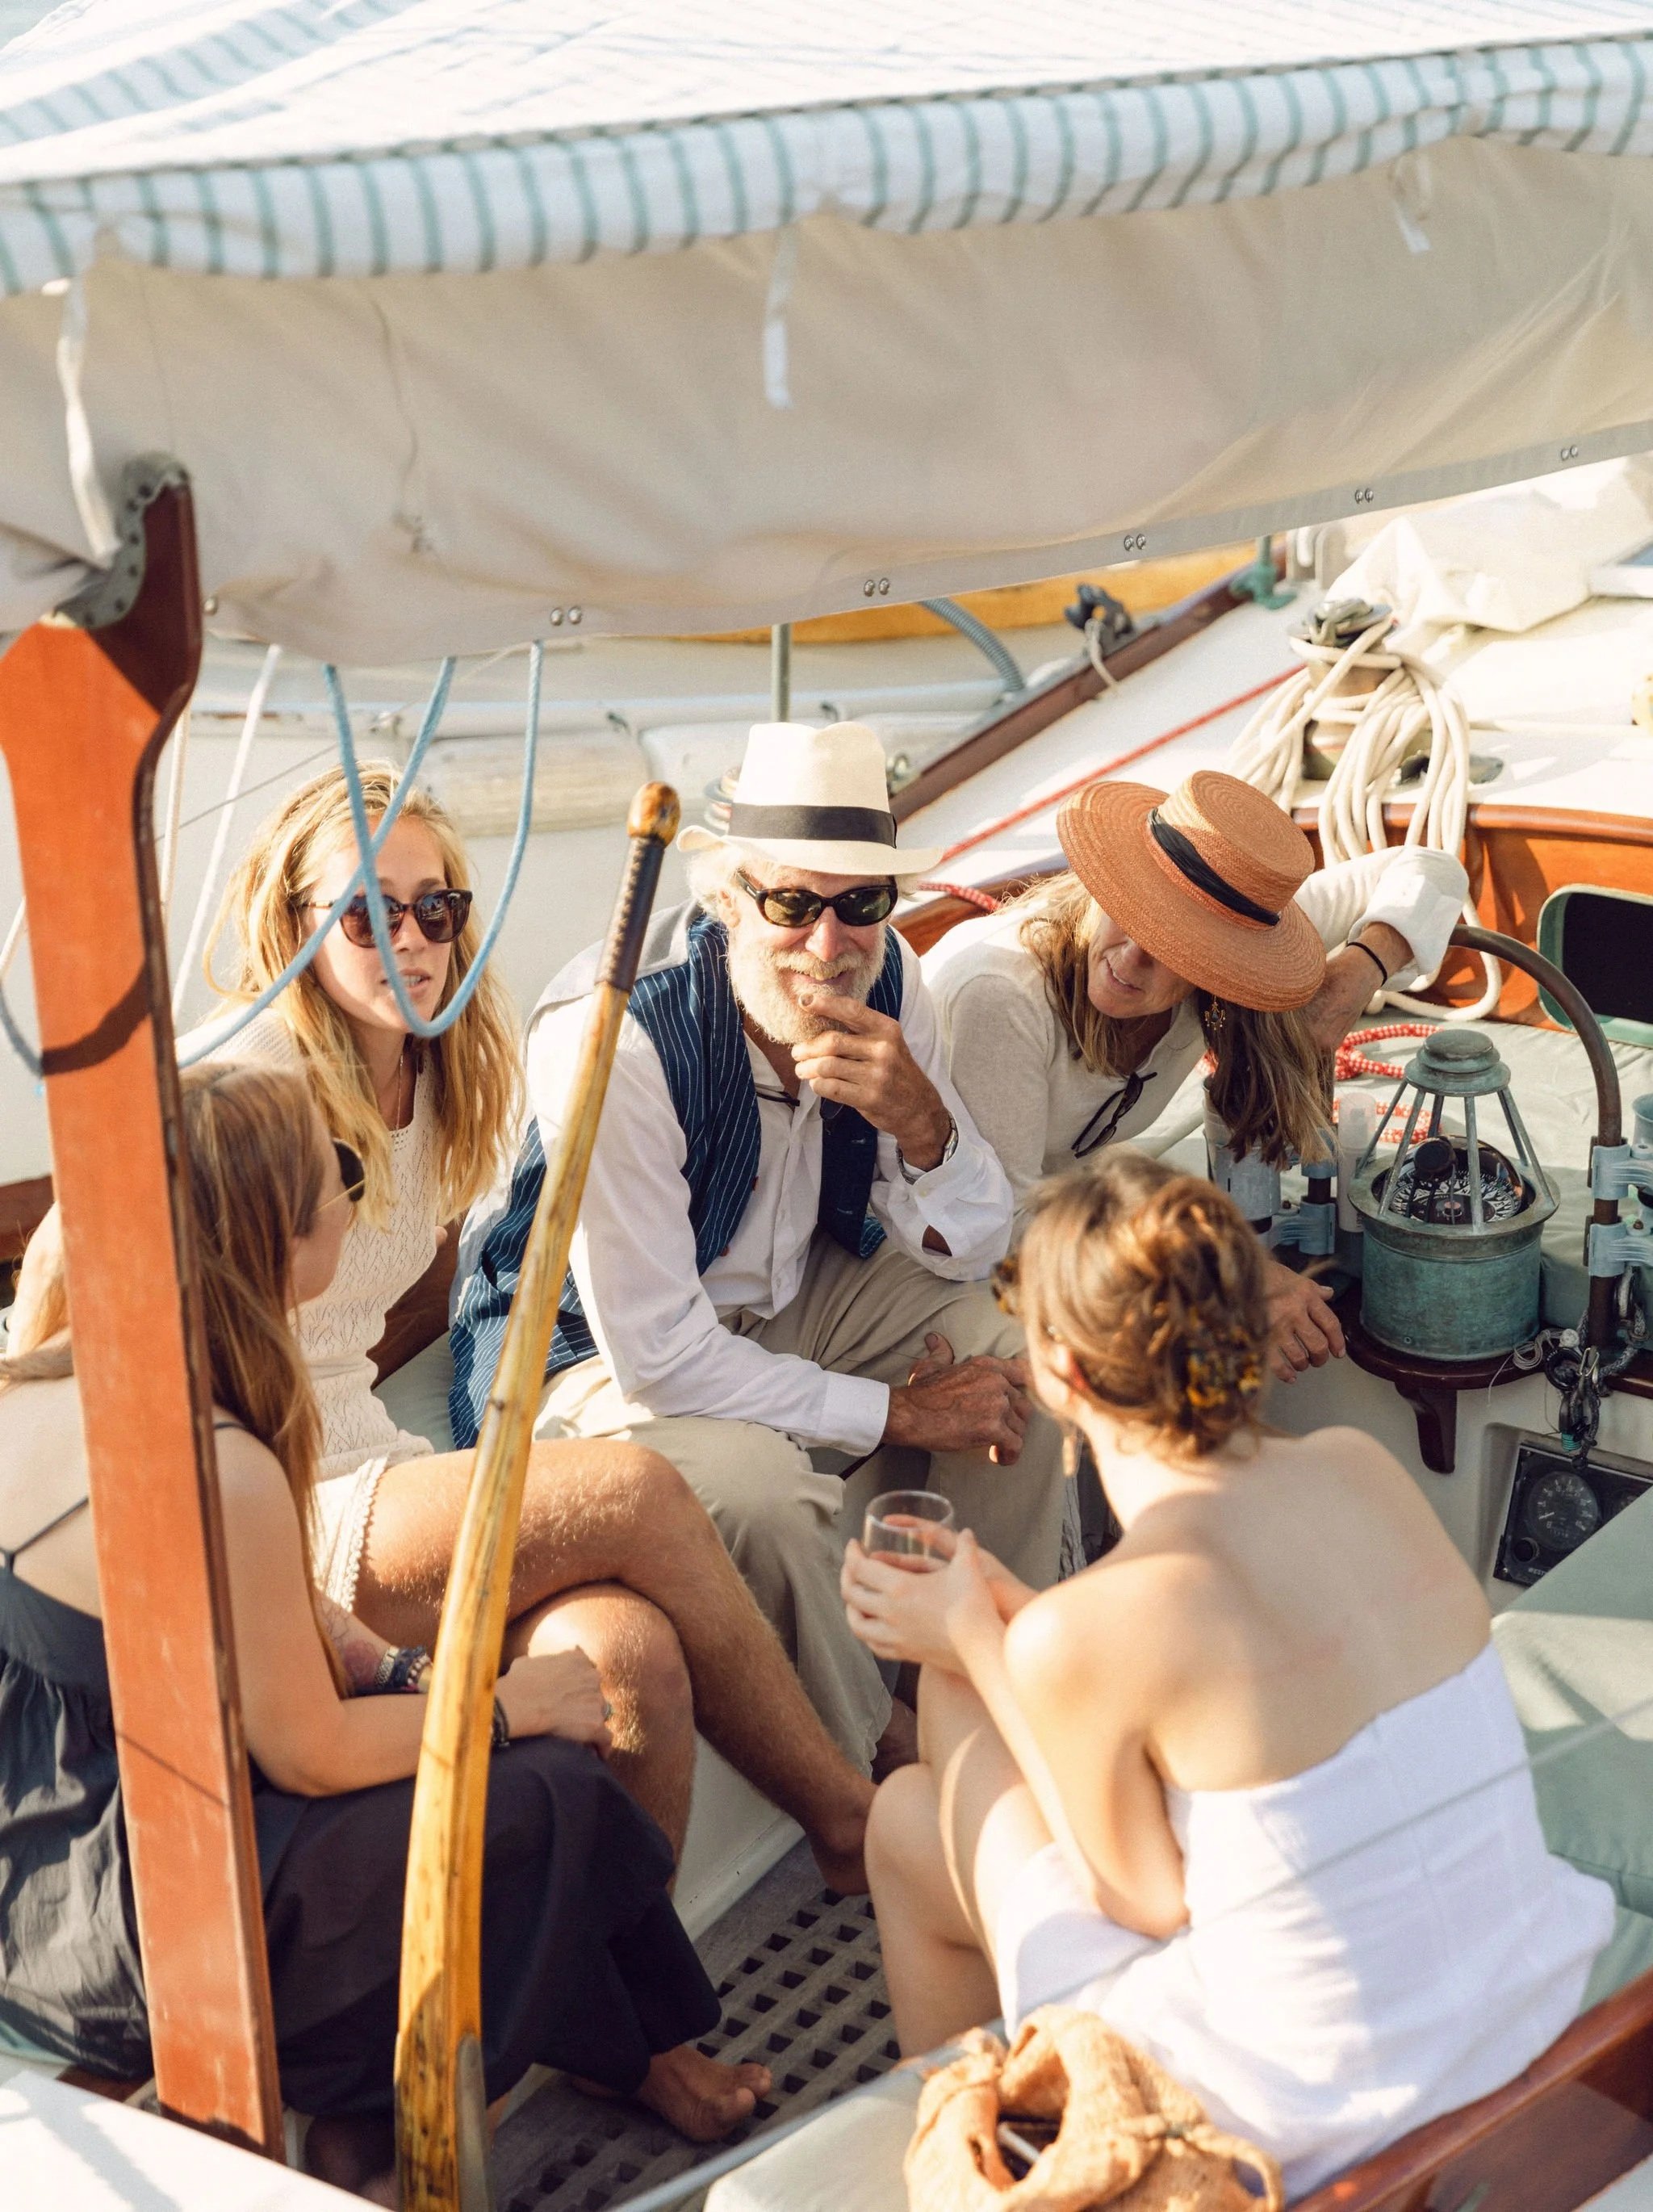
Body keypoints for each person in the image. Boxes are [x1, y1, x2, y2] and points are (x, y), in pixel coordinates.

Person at [0, 1063, 771, 2204]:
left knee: (497, 1790)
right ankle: (606, 2063)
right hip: (144, 1920)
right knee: (546, 1792)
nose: (353, 1204)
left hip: (39, 1875)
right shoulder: (222, 1464)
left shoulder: (37, 1384)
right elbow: (305, 1753)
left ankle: (400, 2124)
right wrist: (507, 1708)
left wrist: (406, 1674)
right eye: (339, 1181)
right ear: (278, 1245)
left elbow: (254, 1625)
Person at [844, 1149, 1614, 2200]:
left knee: (924, 1769)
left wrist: (980, 1644)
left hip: (1320, 2126)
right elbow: (1251, 1686)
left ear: (1062, 1375)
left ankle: (981, 2152)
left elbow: (1147, 1902)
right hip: (1532, 2029)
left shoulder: (1091, 1631)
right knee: (905, 1823)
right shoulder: (1358, 1466)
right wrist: (1014, 1623)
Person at [185, 763, 873, 1892]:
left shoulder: (437, 1072)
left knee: (625, 1657)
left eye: (436, 909)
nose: (408, 939)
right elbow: (132, 1341)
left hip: (377, 1456)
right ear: (291, 924)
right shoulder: (248, 1087)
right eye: (365, 912)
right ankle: (850, 1818)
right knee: (636, 1491)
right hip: (283, 1509)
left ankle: (627, 2011)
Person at [453, 722, 1062, 1778]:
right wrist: (900, 1413)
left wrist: (927, 1127)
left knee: (1020, 1363)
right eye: (791, 904)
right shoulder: (623, 1041)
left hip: (786, 1290)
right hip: (578, 1356)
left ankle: (974, 1694)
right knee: (764, 1492)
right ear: (730, 898)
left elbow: (971, 1249)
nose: (828, 946)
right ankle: (871, 1775)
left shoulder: (890, 978)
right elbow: (659, 1359)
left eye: (859, 904)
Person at [922, 769, 1467, 1380]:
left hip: (1064, 1203)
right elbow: (1006, 1225)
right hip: (934, 1246)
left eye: (1178, 948)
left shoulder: (1238, 935)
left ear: (1225, 965)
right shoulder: (1000, 995)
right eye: (1129, 911)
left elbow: (1430, 867)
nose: (1130, 959)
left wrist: (1361, 970)